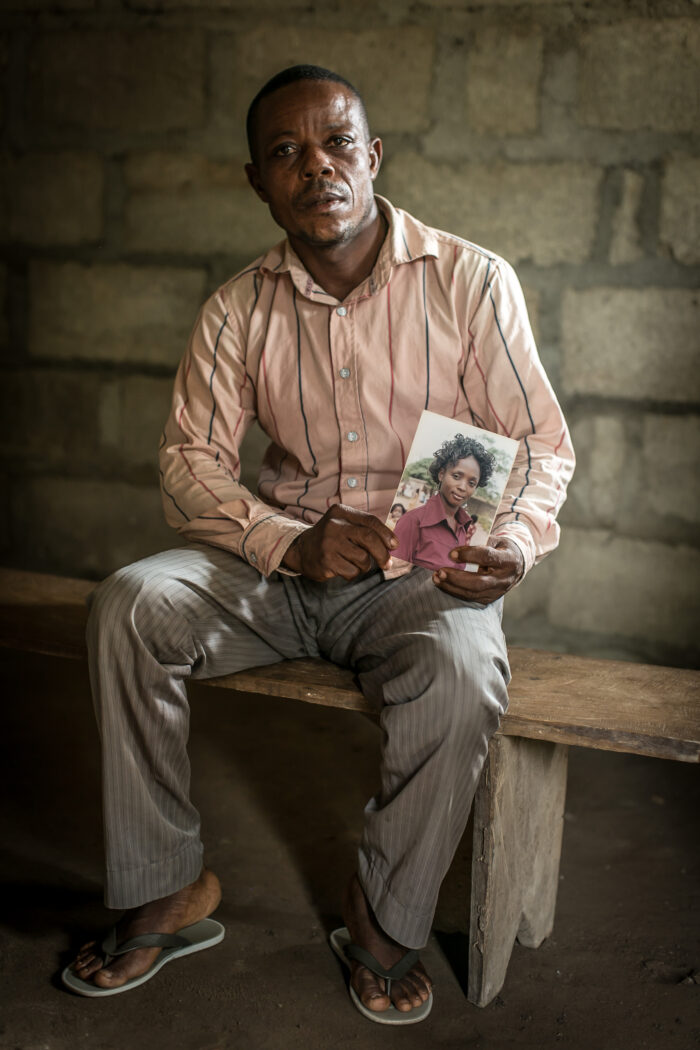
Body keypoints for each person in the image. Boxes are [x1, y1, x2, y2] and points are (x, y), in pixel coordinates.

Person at [65, 64, 575, 1023]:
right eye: (286, 153)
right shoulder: (235, 309)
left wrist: (511, 540)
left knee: (466, 667)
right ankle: (166, 887)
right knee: (128, 604)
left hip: (415, 576)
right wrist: (282, 542)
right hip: (278, 563)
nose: (318, 167)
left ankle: (385, 918)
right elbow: (188, 463)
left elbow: (543, 444)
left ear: (373, 157)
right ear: (256, 181)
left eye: (339, 143)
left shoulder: (469, 280)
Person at [392, 434, 491, 570]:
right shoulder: (412, 521)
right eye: (456, 476)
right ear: (441, 474)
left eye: (471, 483)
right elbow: (393, 577)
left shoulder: (463, 527)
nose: (462, 487)